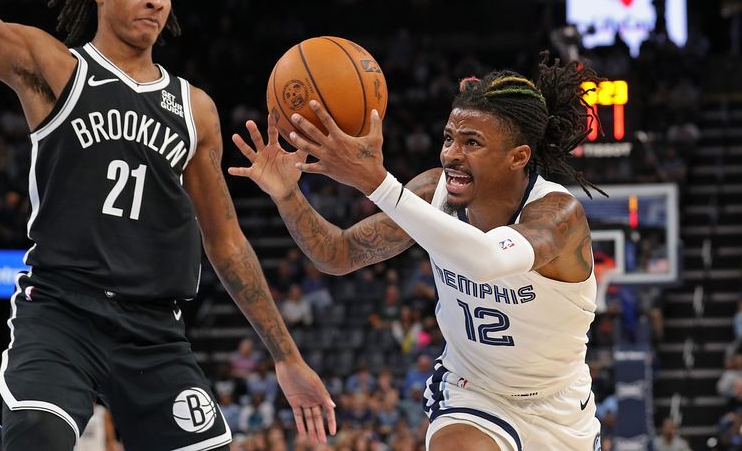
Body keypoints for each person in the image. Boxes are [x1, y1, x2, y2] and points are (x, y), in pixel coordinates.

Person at [0, 0, 335, 451]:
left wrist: (287, 356)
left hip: (154, 330)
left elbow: (226, 243)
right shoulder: (57, 69)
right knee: (36, 436)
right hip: (61, 311)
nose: (155, 0)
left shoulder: (194, 109)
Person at [231, 55, 603, 450]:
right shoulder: (433, 192)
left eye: (471, 143)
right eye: (448, 138)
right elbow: (337, 254)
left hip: (560, 409)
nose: (451, 154)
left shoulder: (559, 215)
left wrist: (377, 183)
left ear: (518, 157)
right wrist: (288, 195)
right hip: (473, 392)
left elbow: (488, 260)